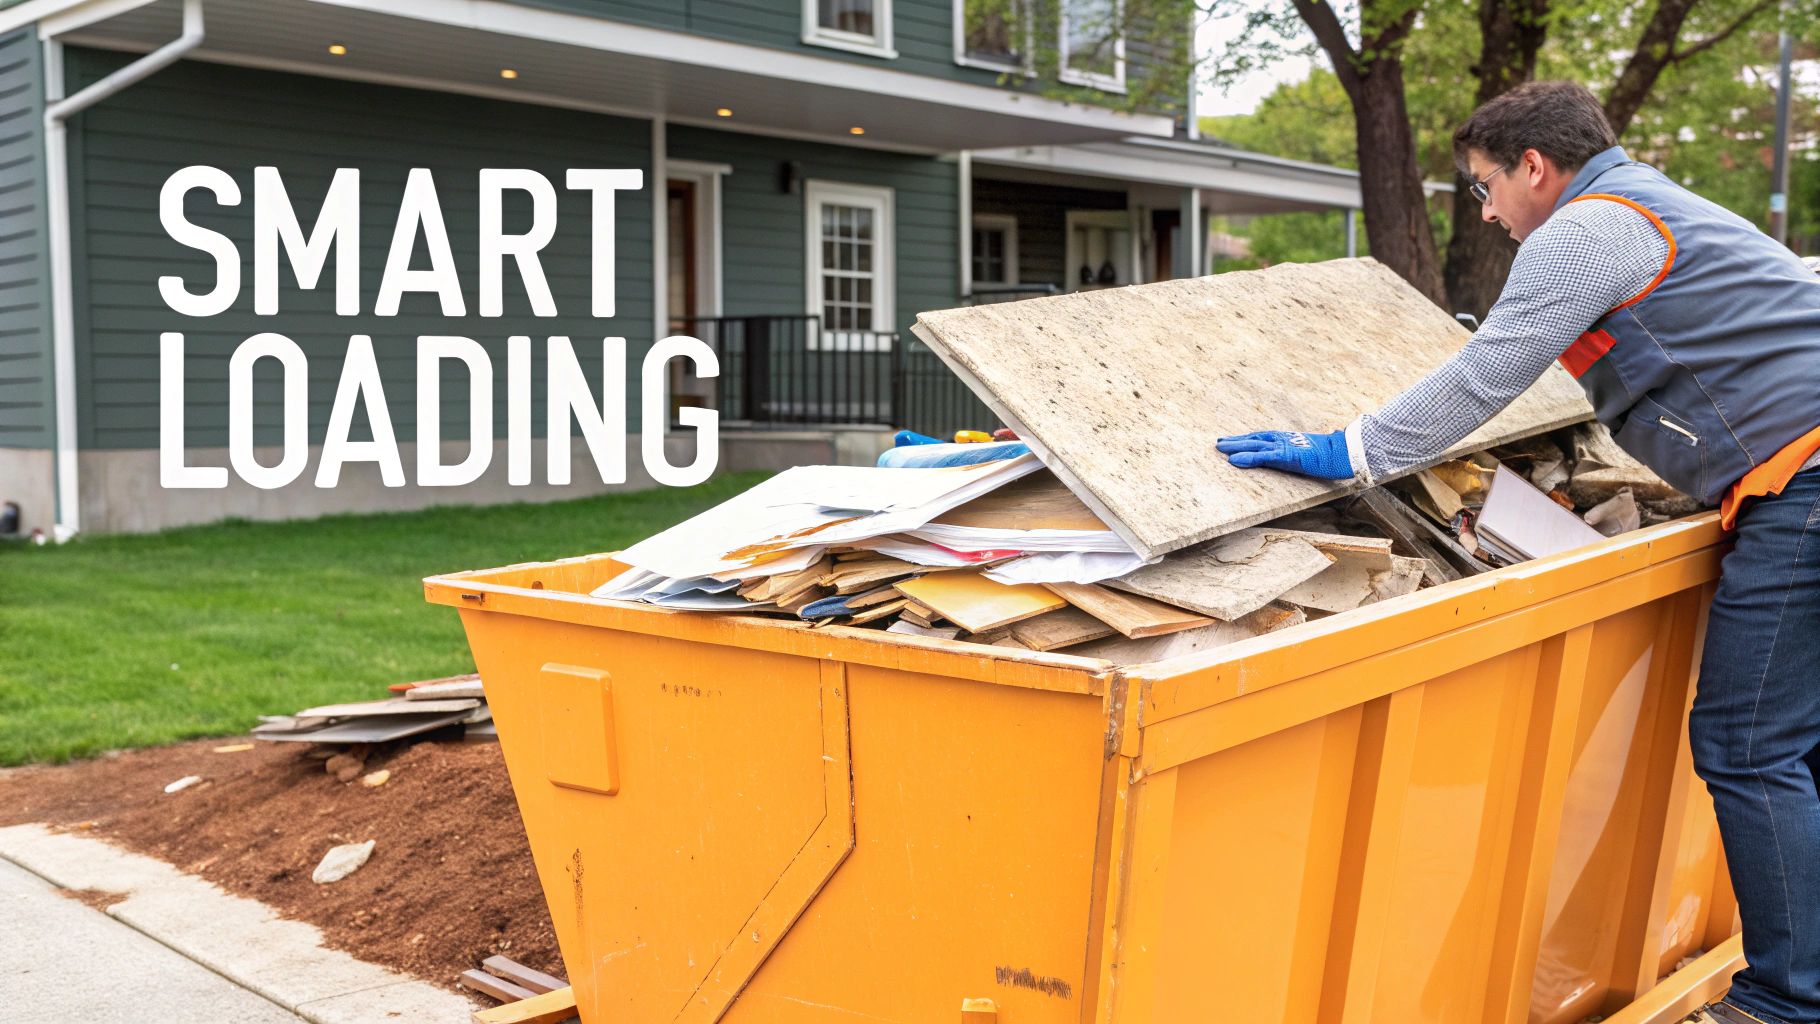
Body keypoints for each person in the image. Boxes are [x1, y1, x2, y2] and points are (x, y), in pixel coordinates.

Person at [1218, 81, 1820, 1024]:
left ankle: (1785, 1003)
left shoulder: (1589, 229)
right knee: (1791, 743)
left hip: (1805, 484)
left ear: (1535, 166)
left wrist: (1351, 450)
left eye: (1485, 185)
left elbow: (1487, 375)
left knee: (1748, 744)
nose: (1488, 212)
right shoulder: (1652, 207)